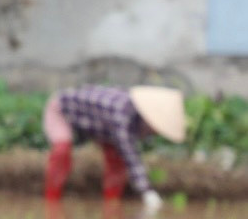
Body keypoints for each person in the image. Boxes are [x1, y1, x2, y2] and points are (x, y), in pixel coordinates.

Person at [42, 84, 186, 211]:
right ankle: (52, 202)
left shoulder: (136, 117)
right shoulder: (122, 113)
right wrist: (147, 192)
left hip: (99, 125)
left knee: (117, 161)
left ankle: (112, 206)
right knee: (62, 149)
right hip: (62, 111)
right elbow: (131, 155)